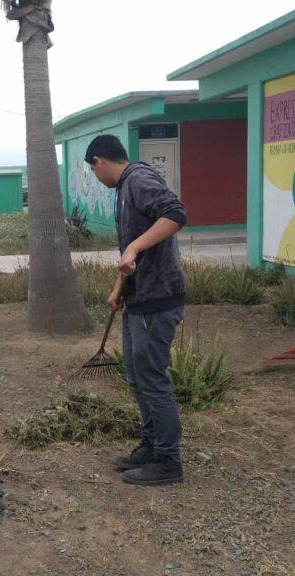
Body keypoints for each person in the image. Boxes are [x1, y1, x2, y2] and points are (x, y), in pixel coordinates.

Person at [85, 134, 188, 486]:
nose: (96, 179)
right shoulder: (124, 190)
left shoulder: (140, 179)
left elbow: (176, 213)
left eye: (93, 171)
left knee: (151, 378)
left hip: (158, 299)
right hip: (137, 298)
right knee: (135, 375)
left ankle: (168, 461)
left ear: (99, 161)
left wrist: (134, 248)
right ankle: (150, 445)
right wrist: (118, 289)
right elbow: (131, 253)